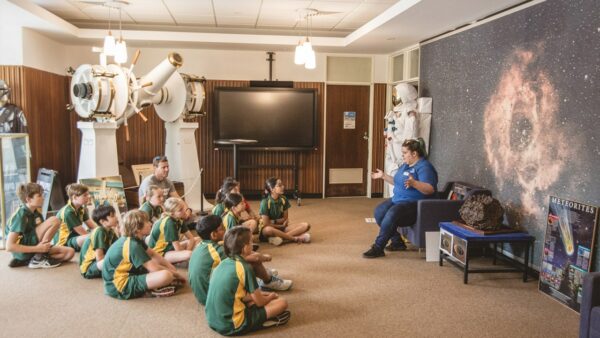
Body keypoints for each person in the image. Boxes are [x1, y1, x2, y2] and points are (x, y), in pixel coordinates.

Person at [205, 226, 291, 336]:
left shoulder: (223, 263)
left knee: (253, 299)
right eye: (251, 242)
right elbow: (260, 302)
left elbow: (236, 294)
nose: (252, 244)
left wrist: (258, 296)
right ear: (245, 248)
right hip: (232, 325)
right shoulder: (245, 268)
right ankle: (258, 324)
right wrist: (270, 296)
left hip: (213, 320)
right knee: (282, 303)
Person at [190, 215, 292, 306]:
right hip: (212, 296)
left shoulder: (201, 245)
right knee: (251, 263)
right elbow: (250, 258)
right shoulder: (217, 252)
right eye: (222, 228)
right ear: (213, 235)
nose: (225, 228)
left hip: (202, 295)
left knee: (242, 259)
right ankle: (268, 281)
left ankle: (263, 277)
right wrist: (263, 257)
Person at [364, 139, 438, 258]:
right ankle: (397, 242)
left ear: (414, 154)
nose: (402, 155)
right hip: (398, 199)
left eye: (404, 153)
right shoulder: (405, 165)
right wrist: (383, 176)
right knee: (379, 212)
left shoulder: (425, 167)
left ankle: (378, 247)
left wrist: (414, 184)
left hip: (414, 204)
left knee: (391, 214)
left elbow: (430, 189)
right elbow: (397, 182)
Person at [102, 210, 187, 300]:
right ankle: (150, 289)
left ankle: (152, 285)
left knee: (165, 270)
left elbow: (153, 254)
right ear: (138, 228)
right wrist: (176, 274)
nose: (150, 224)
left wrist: (172, 268)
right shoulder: (132, 245)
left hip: (130, 273)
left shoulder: (135, 239)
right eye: (147, 222)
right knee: (166, 275)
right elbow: (154, 268)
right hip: (118, 286)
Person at [6, 183, 74, 268]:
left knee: (70, 252)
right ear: (29, 199)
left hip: (34, 246)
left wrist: (43, 246)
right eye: (39, 196)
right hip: (25, 250)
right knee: (55, 220)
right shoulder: (20, 215)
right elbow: (9, 246)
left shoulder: (36, 213)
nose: (43, 198)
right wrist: (38, 249)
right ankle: (39, 257)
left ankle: (34, 259)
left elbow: (42, 236)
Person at [138, 156, 192, 221]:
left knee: (190, 218)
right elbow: (153, 204)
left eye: (167, 167)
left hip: (164, 210)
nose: (167, 169)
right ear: (155, 168)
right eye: (163, 167)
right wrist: (175, 214)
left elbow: (177, 198)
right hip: (152, 215)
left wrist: (187, 210)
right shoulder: (149, 182)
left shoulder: (168, 182)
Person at [259, 177, 311, 246]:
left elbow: (285, 219)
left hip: (281, 228)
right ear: (272, 189)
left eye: (282, 184)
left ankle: (279, 238)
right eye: (279, 185)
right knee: (268, 229)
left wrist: (274, 221)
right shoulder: (264, 202)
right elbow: (266, 224)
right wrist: (279, 224)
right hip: (268, 230)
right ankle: (295, 238)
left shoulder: (284, 199)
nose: (283, 186)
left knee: (306, 225)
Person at [148, 197, 199, 264]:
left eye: (183, 208)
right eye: (180, 210)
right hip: (159, 254)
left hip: (169, 248)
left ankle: (183, 259)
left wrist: (186, 251)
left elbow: (191, 238)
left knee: (197, 239)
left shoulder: (179, 219)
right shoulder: (169, 223)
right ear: (172, 213)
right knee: (189, 254)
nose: (184, 211)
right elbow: (178, 249)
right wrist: (185, 253)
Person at [79, 205, 119, 279]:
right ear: (103, 221)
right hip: (90, 267)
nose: (116, 217)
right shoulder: (99, 231)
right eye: (113, 216)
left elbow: (118, 248)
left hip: (100, 262)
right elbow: (99, 258)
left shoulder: (110, 231)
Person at [53, 183, 96, 251]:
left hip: (76, 237)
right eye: (85, 195)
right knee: (91, 237)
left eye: (88, 194)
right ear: (75, 197)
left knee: (100, 233)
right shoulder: (68, 212)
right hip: (65, 242)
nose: (89, 196)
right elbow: (82, 232)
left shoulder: (81, 208)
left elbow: (92, 226)